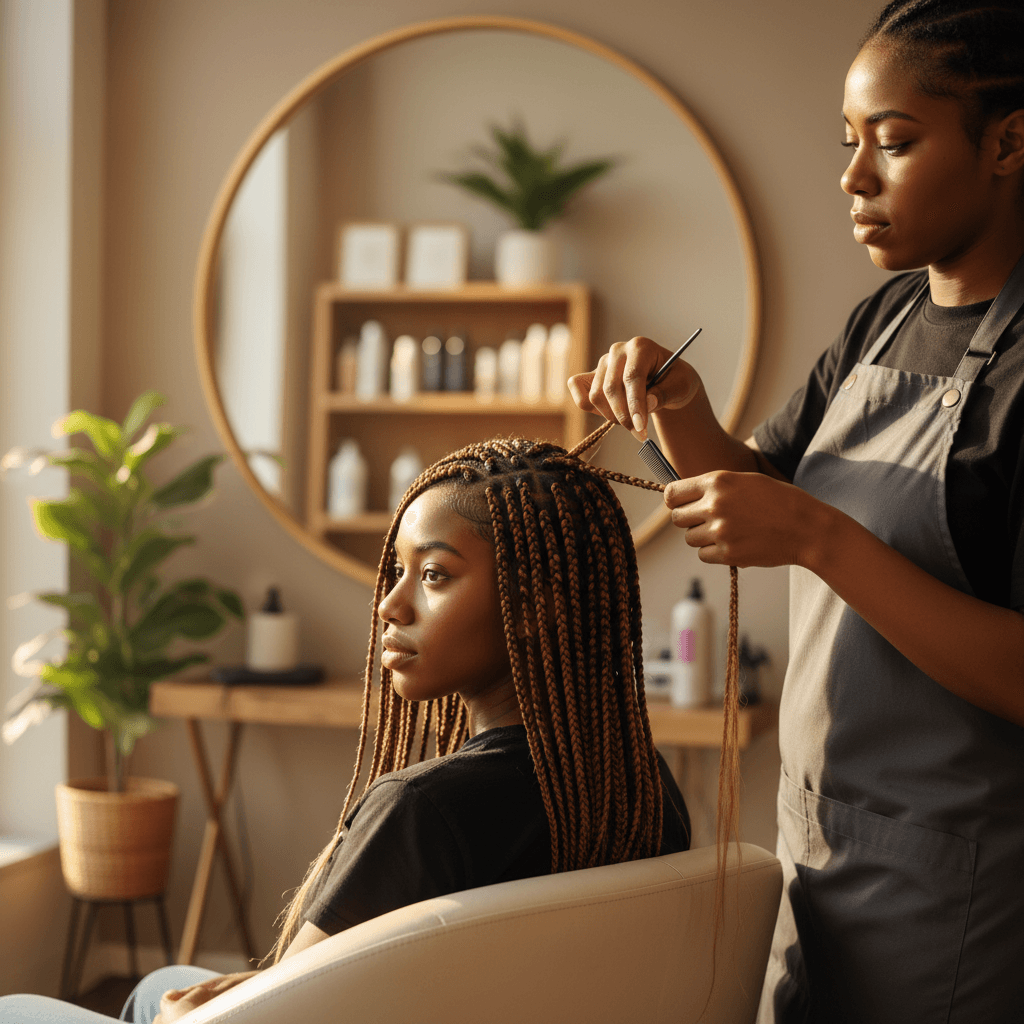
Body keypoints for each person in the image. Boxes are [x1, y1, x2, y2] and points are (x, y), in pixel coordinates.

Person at [569, 1, 1024, 1021]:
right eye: (850, 143)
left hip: (961, 887)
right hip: (820, 846)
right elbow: (768, 490)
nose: (853, 178)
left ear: (1008, 140)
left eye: (894, 144)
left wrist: (822, 542)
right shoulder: (886, 315)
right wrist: (682, 417)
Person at [0, 435, 692, 1023]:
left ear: (535, 605)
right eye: (397, 571)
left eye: (433, 575)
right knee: (156, 986)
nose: (390, 605)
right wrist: (249, 989)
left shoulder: (424, 812)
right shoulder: (638, 785)